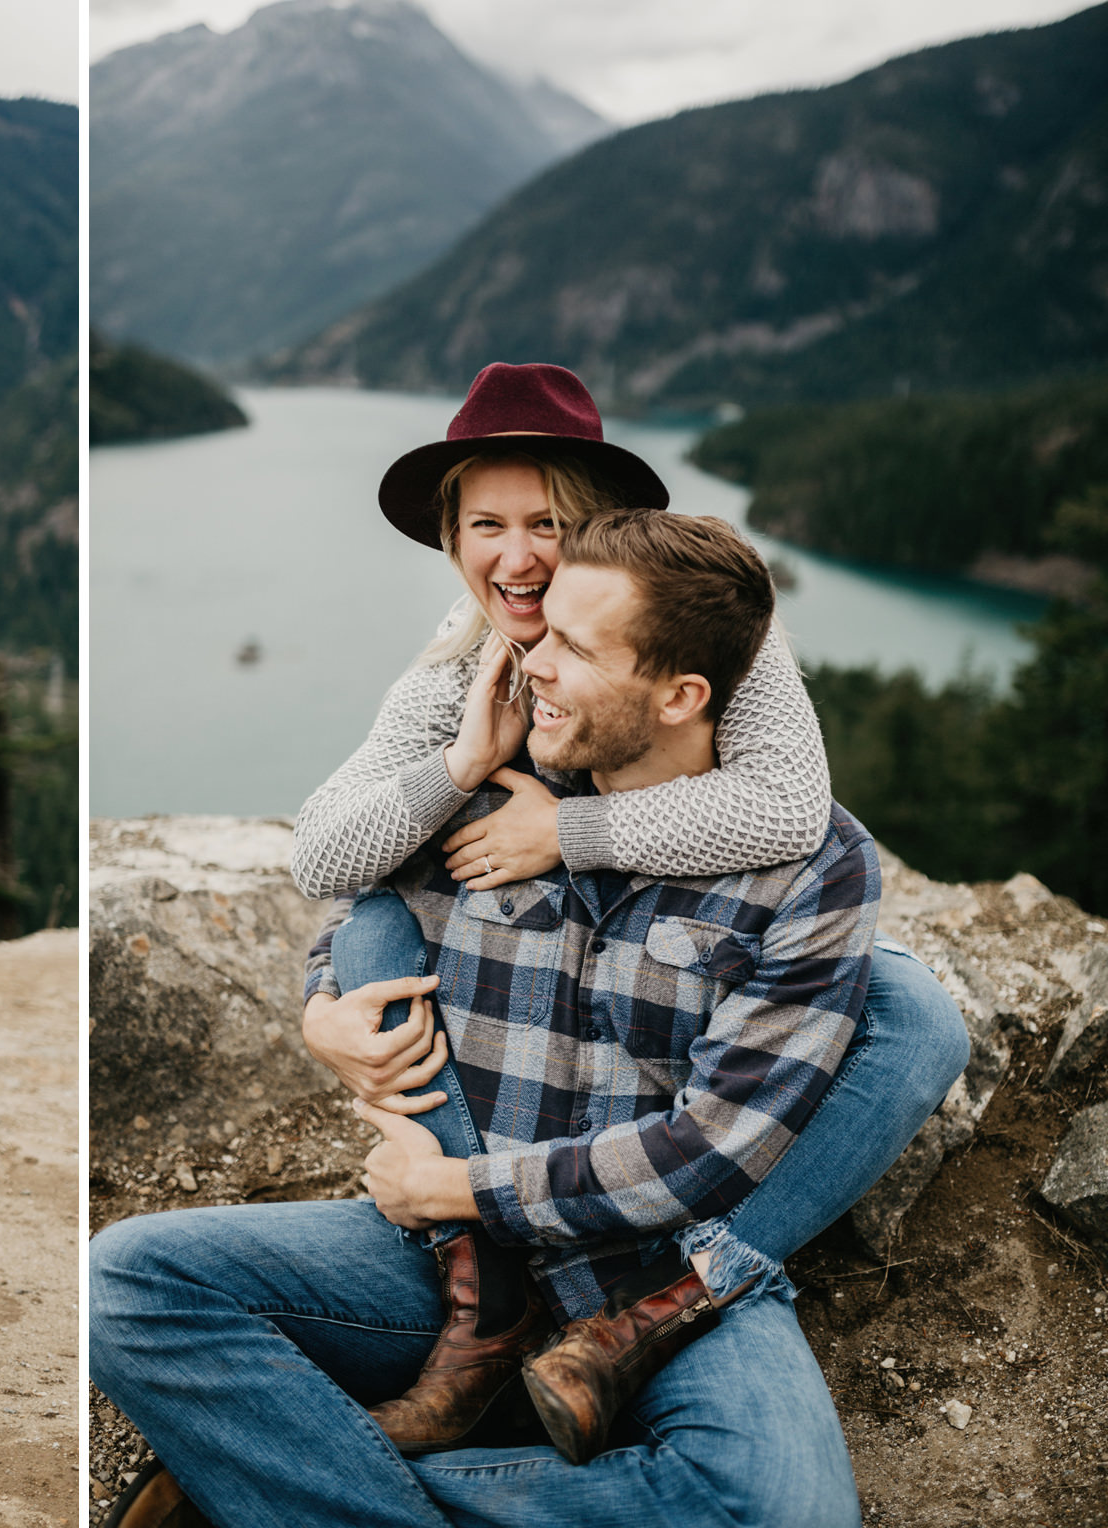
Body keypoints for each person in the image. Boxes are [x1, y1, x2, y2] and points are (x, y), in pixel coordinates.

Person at [89, 511, 943, 1528]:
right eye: (541, 630)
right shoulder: (488, 779)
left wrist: (457, 1185)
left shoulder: (812, 866)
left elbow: (709, 1152)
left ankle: (284, 1487)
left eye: (575, 647)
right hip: (447, 1278)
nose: (533, 659)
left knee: (782, 1512)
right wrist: (320, 1004)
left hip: (655, 1269)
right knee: (129, 1284)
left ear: (680, 695)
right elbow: (354, 913)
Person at [288, 363, 966, 1459]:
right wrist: (455, 774)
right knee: (371, 922)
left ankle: (676, 1291)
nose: (513, 558)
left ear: (600, 527)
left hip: (694, 920)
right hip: (529, 996)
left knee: (911, 1009)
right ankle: (485, 1288)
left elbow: (788, 808)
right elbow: (326, 856)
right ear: (449, 537)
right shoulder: (453, 666)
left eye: (545, 522)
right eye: (483, 525)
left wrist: (563, 833)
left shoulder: (693, 627)